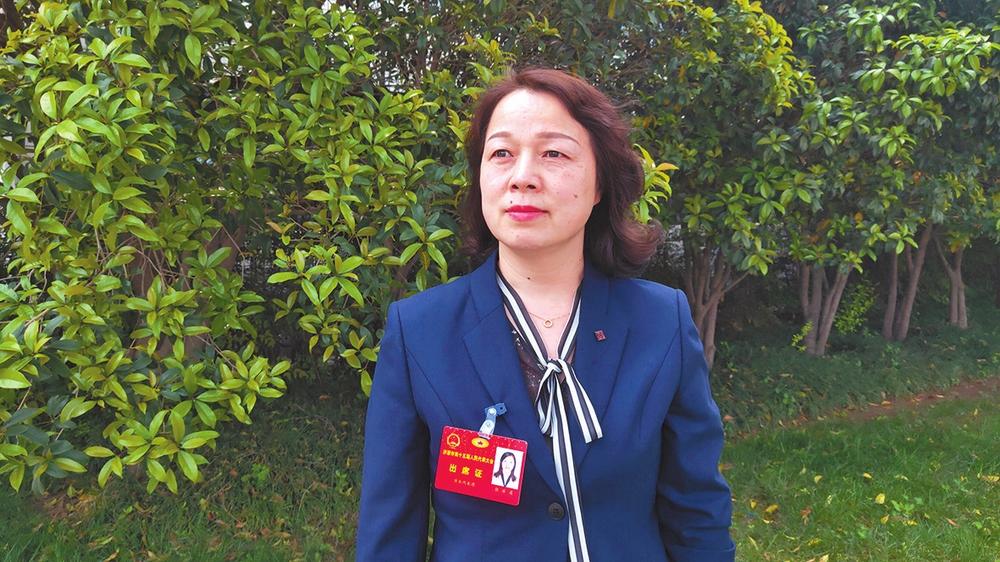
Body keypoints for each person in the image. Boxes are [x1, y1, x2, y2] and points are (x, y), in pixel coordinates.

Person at [357, 68, 734, 562]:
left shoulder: (661, 322)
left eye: (554, 153)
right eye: (501, 153)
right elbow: (389, 534)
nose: (522, 176)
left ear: (599, 184)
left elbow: (697, 513)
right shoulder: (420, 333)